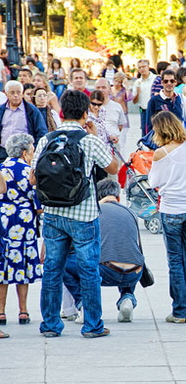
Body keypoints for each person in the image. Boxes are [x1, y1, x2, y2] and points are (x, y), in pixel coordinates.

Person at [32, 90, 119, 338]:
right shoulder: (88, 140)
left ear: (61, 112)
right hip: (84, 213)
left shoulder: (46, 140)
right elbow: (113, 167)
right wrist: (95, 136)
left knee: (52, 268)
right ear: (85, 113)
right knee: (88, 269)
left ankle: (50, 325)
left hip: (53, 213)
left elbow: (34, 177)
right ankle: (92, 325)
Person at [63, 179, 144, 323]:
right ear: (118, 197)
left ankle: (83, 305)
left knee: (63, 265)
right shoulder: (131, 213)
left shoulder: (92, 213)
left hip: (106, 271)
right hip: (135, 271)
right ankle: (127, 298)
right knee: (127, 254)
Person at [148, 111, 186, 324]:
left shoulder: (161, 153)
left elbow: (153, 181)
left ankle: (179, 310)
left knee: (175, 260)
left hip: (171, 208)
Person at [0, 134, 40, 330]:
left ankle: (1, 311)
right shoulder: (29, 171)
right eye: (32, 151)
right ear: (24, 153)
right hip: (24, 220)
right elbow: (38, 201)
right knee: (21, 263)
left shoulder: (1, 168)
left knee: (3, 264)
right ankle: (23, 310)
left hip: (4, 219)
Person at [0, 81, 47, 161]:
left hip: (24, 155)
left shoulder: (32, 111)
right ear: (6, 94)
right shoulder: (1, 110)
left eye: (18, 93)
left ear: (22, 94)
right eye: (12, 93)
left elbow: (42, 132)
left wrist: (33, 150)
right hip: (3, 153)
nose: (16, 95)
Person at [145, 69, 186, 136]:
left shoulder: (181, 98)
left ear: (175, 82)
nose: (169, 83)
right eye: (166, 81)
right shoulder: (154, 101)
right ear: (162, 83)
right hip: (161, 139)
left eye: (172, 81)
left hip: (179, 138)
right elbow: (149, 124)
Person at [132, 60, 157, 137]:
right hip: (144, 110)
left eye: (144, 67)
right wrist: (138, 93)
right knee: (145, 131)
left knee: (156, 131)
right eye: (140, 67)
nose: (142, 69)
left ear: (148, 67)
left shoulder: (156, 79)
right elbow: (134, 101)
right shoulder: (138, 82)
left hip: (155, 110)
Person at [110, 72, 133, 150]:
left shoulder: (123, 91)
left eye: (119, 82)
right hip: (111, 116)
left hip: (122, 116)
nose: (117, 83)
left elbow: (129, 98)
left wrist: (126, 86)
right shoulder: (109, 89)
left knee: (121, 141)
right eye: (115, 81)